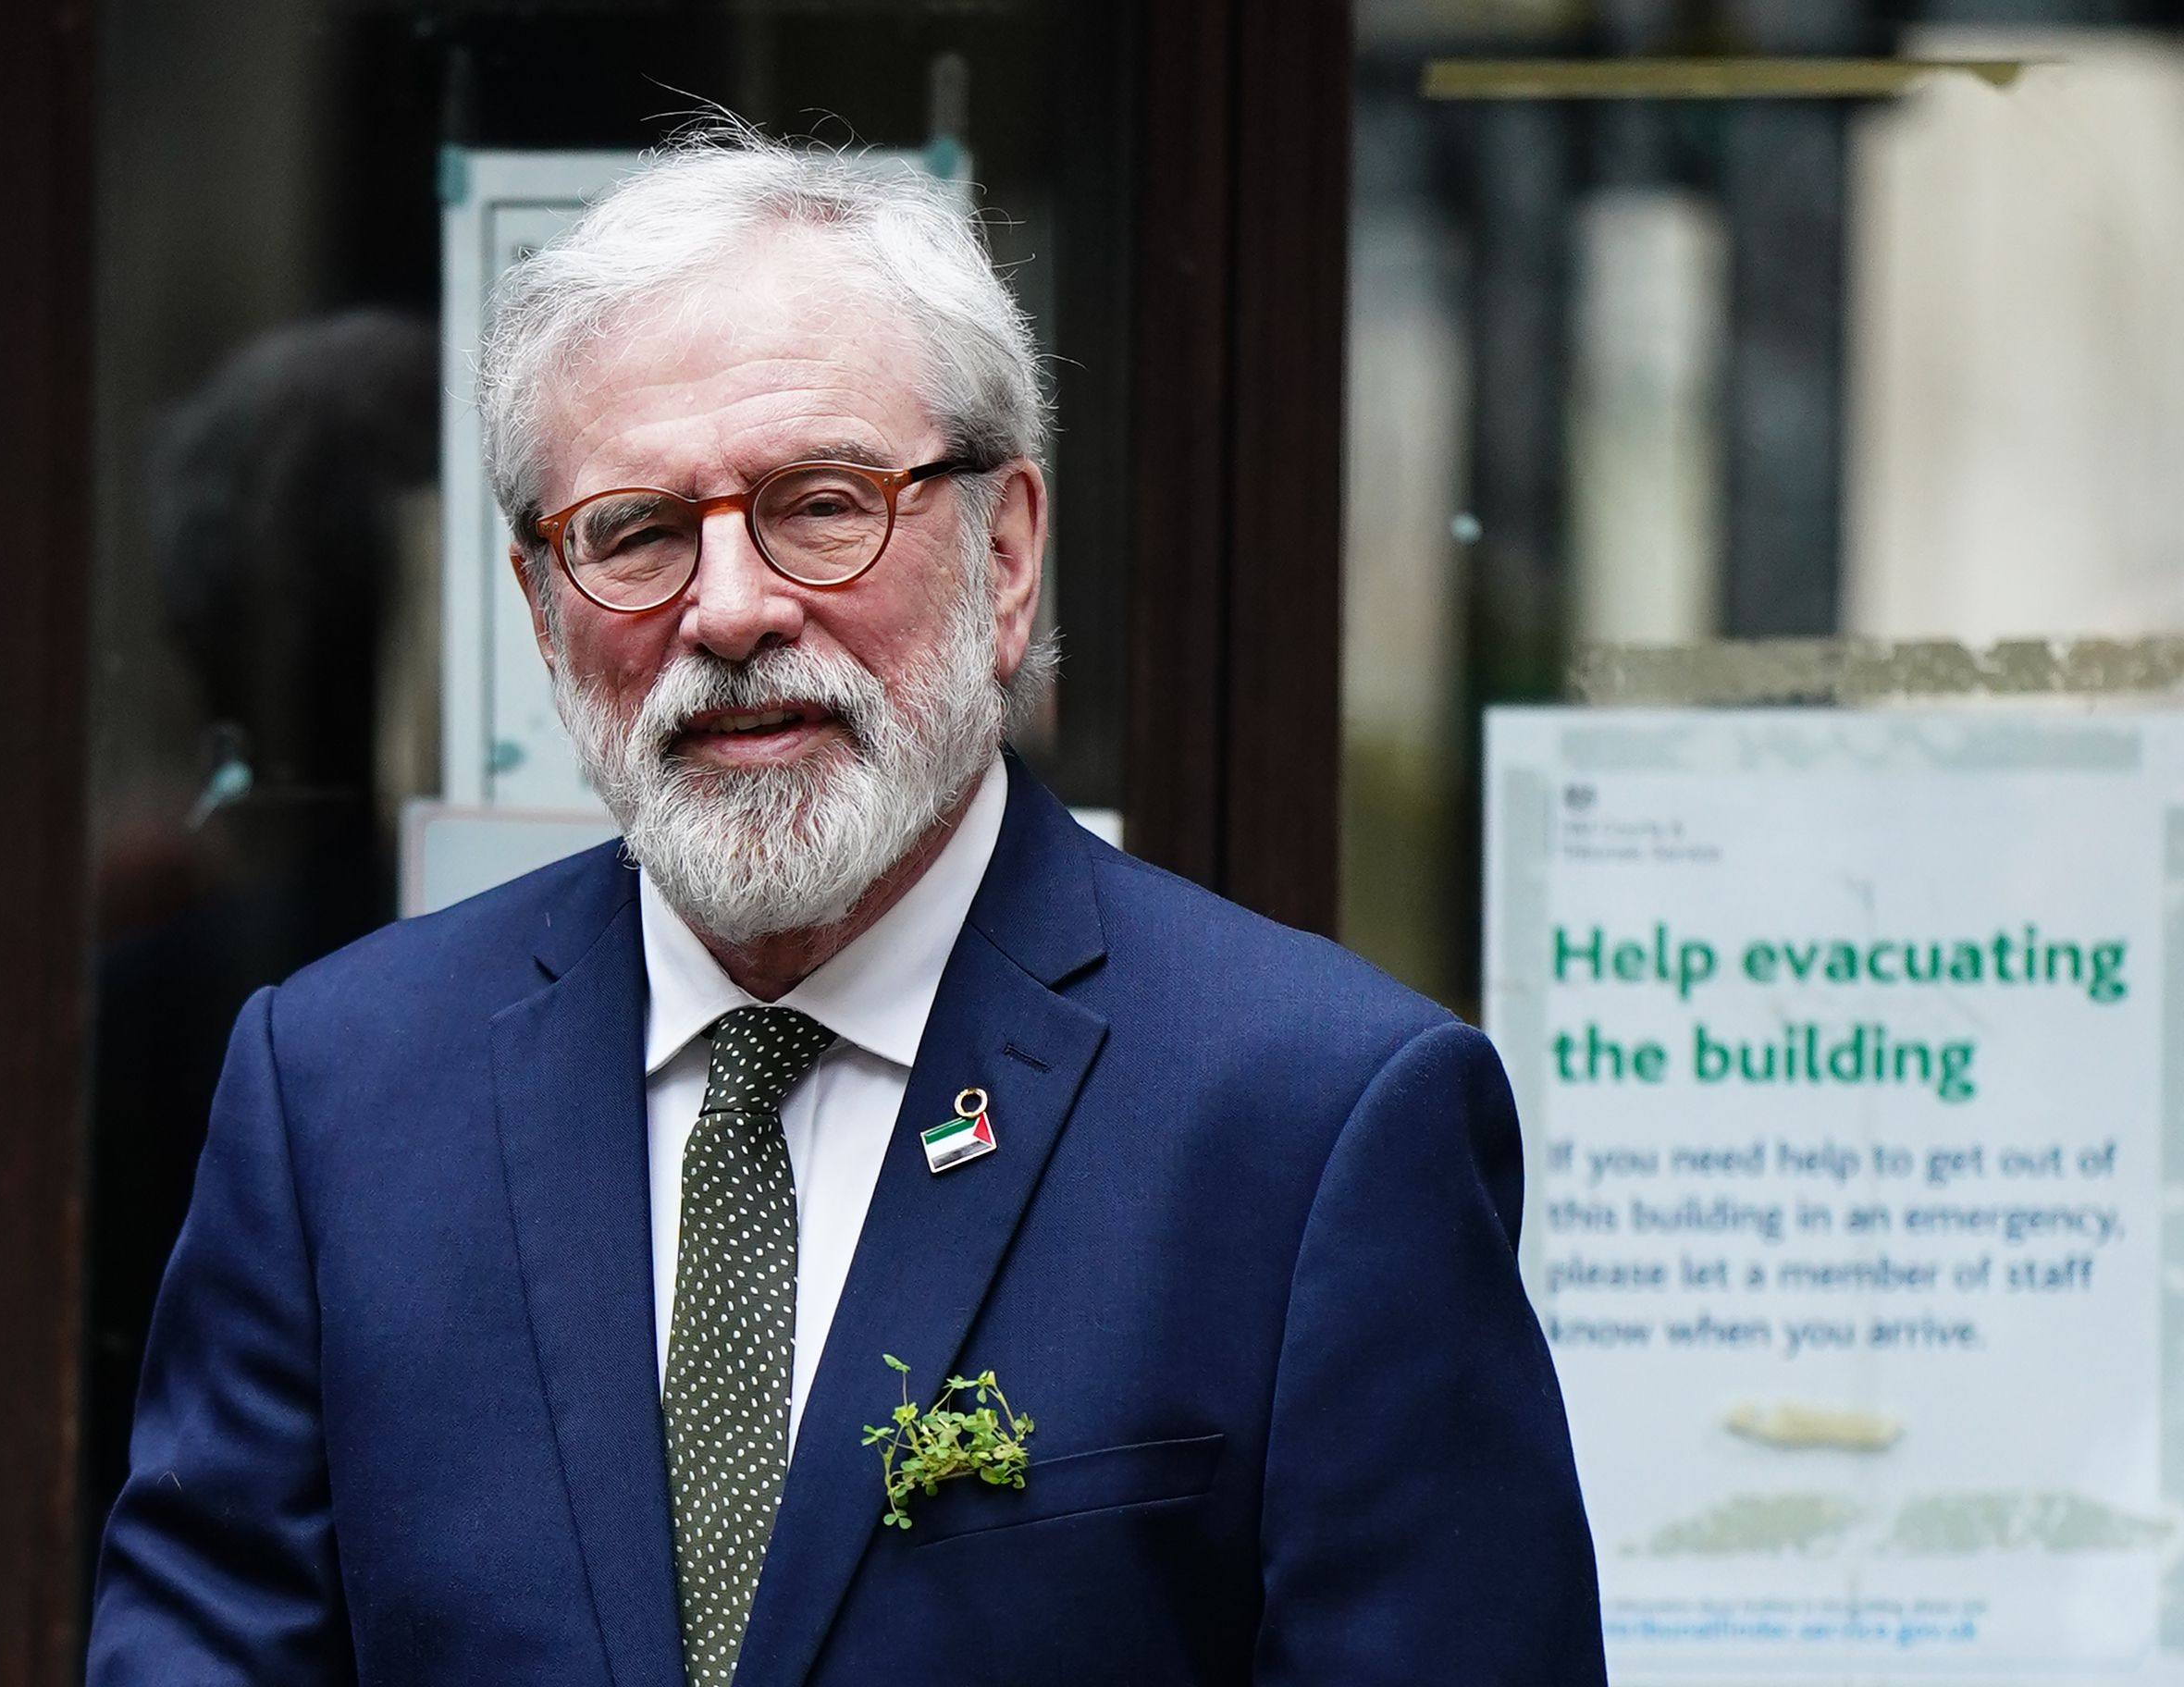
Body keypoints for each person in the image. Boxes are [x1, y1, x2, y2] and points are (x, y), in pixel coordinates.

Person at [87, 124, 1606, 1687]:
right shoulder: (337, 1096)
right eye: (637, 534)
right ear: (544, 615)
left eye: (821, 504)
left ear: (1006, 556)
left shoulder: (1313, 1124)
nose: (731, 609)